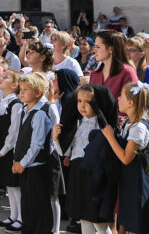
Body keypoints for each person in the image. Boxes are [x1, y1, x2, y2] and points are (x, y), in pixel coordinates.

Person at [55, 84, 118, 234]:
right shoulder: (77, 122)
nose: (82, 106)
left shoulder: (103, 126)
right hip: (79, 172)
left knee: (99, 222)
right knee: (84, 217)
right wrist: (56, 138)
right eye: (79, 100)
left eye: (88, 102)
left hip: (96, 175)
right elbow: (63, 151)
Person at [101, 82, 149, 234]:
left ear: (130, 102)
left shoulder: (139, 127)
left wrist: (110, 137)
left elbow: (126, 158)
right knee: (124, 224)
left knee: (135, 225)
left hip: (137, 183)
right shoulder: (129, 123)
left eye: (121, 96)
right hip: (127, 181)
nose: (117, 98)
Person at [12, 72, 54, 234]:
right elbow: (20, 138)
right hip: (24, 165)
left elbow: (37, 145)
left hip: (35, 167)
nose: (21, 93)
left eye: (26, 89)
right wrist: (16, 160)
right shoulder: (25, 110)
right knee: (27, 205)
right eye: (21, 89)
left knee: (39, 206)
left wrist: (22, 163)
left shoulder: (40, 114)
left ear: (38, 92)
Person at [0, 70, 23, 232]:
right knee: (9, 185)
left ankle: (21, 217)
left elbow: (14, 132)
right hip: (0, 149)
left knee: (16, 185)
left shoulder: (16, 104)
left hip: (11, 150)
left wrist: (2, 151)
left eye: (6, 78)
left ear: (15, 85)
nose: (1, 79)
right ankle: (13, 215)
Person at [89, 30, 139, 102]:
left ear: (110, 49)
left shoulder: (127, 72)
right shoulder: (94, 74)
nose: (94, 50)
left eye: (98, 47)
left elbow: (132, 105)